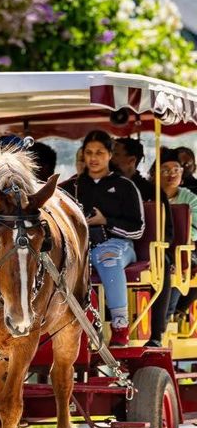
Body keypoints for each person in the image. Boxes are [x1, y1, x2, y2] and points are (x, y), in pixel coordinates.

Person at [60, 130, 144, 347]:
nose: (93, 158)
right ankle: (75, 323)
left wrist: (105, 221)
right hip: (83, 247)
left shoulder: (125, 186)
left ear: (109, 155)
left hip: (118, 244)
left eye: (99, 152)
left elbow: (138, 229)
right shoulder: (73, 187)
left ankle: (119, 326)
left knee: (108, 257)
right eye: (88, 152)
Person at [113, 137, 173, 347]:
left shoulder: (151, 191)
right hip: (115, 244)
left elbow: (168, 232)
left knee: (163, 262)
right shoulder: (107, 186)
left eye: (116, 154)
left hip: (146, 249)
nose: (111, 158)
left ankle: (156, 333)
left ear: (131, 160)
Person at [158, 148, 197, 321]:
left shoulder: (190, 199)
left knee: (177, 266)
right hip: (157, 247)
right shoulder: (151, 196)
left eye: (176, 170)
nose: (171, 175)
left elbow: (195, 229)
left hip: (184, 248)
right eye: (166, 170)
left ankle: (169, 316)